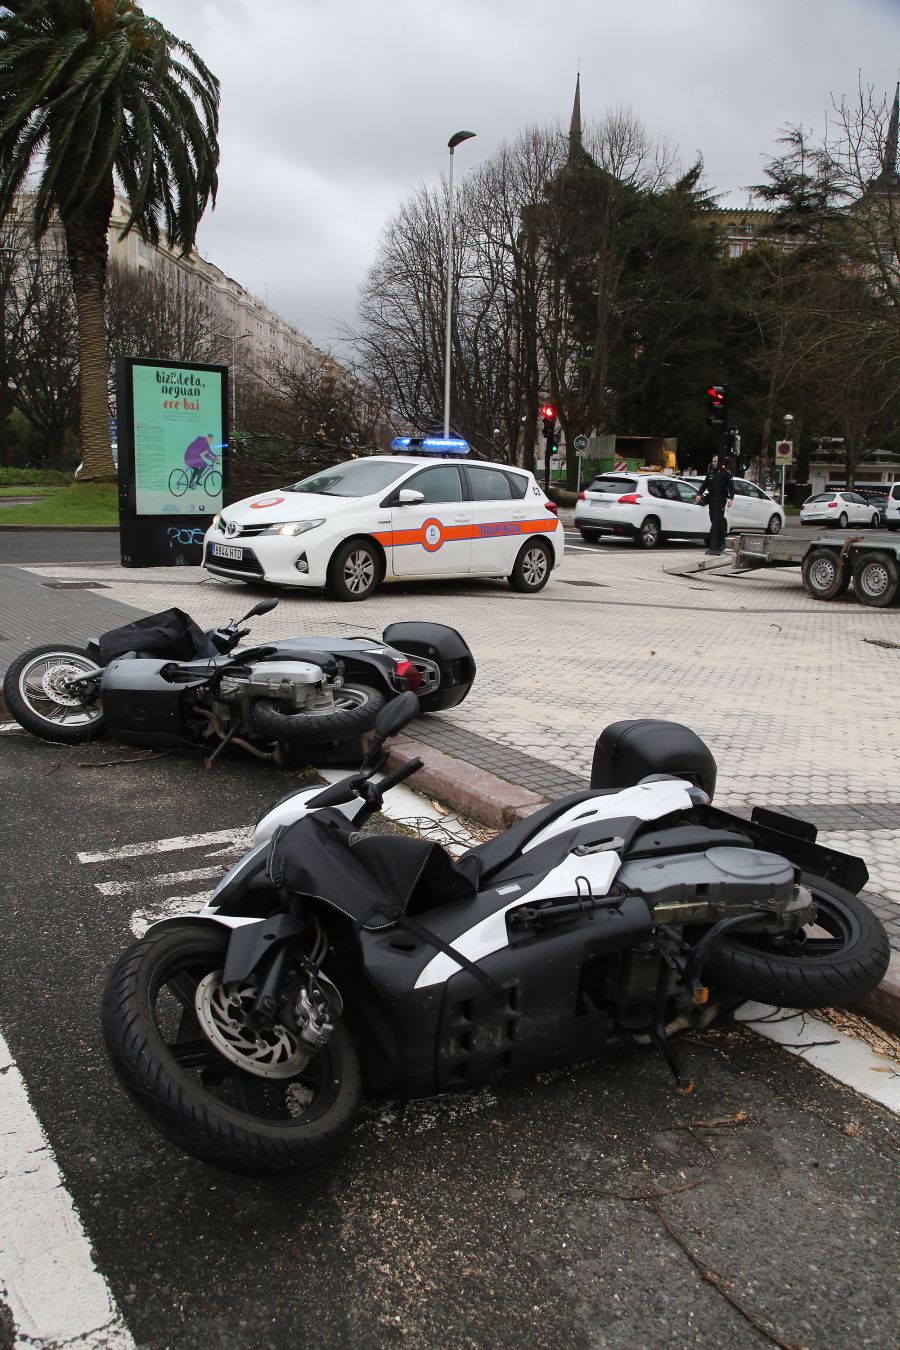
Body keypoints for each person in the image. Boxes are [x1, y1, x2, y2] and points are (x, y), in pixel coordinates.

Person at [696, 455, 734, 554]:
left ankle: (718, 544)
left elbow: (731, 487)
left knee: (718, 520)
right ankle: (720, 542)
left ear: (720, 462)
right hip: (712, 499)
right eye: (713, 461)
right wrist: (699, 494)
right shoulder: (711, 473)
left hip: (721, 499)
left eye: (716, 461)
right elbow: (704, 485)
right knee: (714, 520)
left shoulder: (725, 474)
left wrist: (731, 498)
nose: (714, 463)